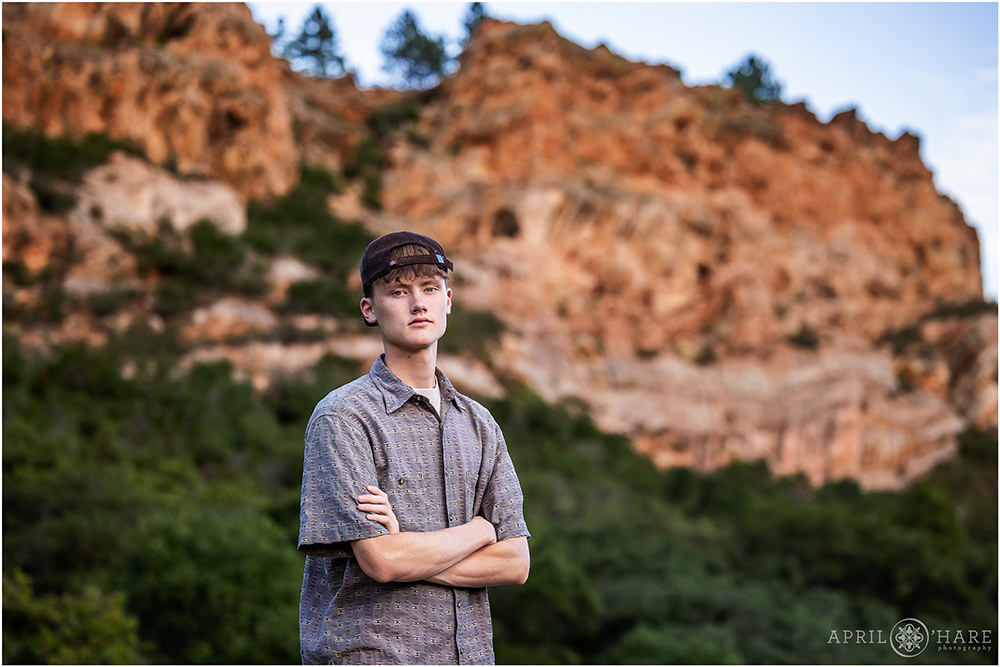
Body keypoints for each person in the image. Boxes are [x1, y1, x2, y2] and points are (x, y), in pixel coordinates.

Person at [298, 230, 531, 665]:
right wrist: (480, 532)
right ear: (370, 309)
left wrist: (407, 549)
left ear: (448, 300)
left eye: (429, 288)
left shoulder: (479, 424)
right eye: (398, 291)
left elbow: (515, 563)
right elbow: (383, 562)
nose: (417, 303)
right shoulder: (343, 417)